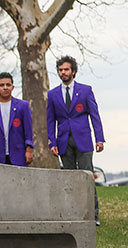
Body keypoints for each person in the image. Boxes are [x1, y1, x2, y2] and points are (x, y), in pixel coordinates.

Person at [47, 55, 105, 225]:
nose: (63, 72)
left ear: (73, 71)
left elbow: (95, 115)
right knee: (69, 179)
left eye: (66, 69)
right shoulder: (52, 95)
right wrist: (52, 142)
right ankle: (71, 214)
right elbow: (50, 121)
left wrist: (99, 139)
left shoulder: (86, 90)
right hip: (63, 141)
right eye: (60, 70)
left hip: (84, 140)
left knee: (87, 176)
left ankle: (93, 215)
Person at [0, 72, 33, 166]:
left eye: (8, 85)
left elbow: (28, 131)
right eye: (2, 85)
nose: (5, 87)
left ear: (12, 87)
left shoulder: (23, 106)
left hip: (19, 155)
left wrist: (29, 150)